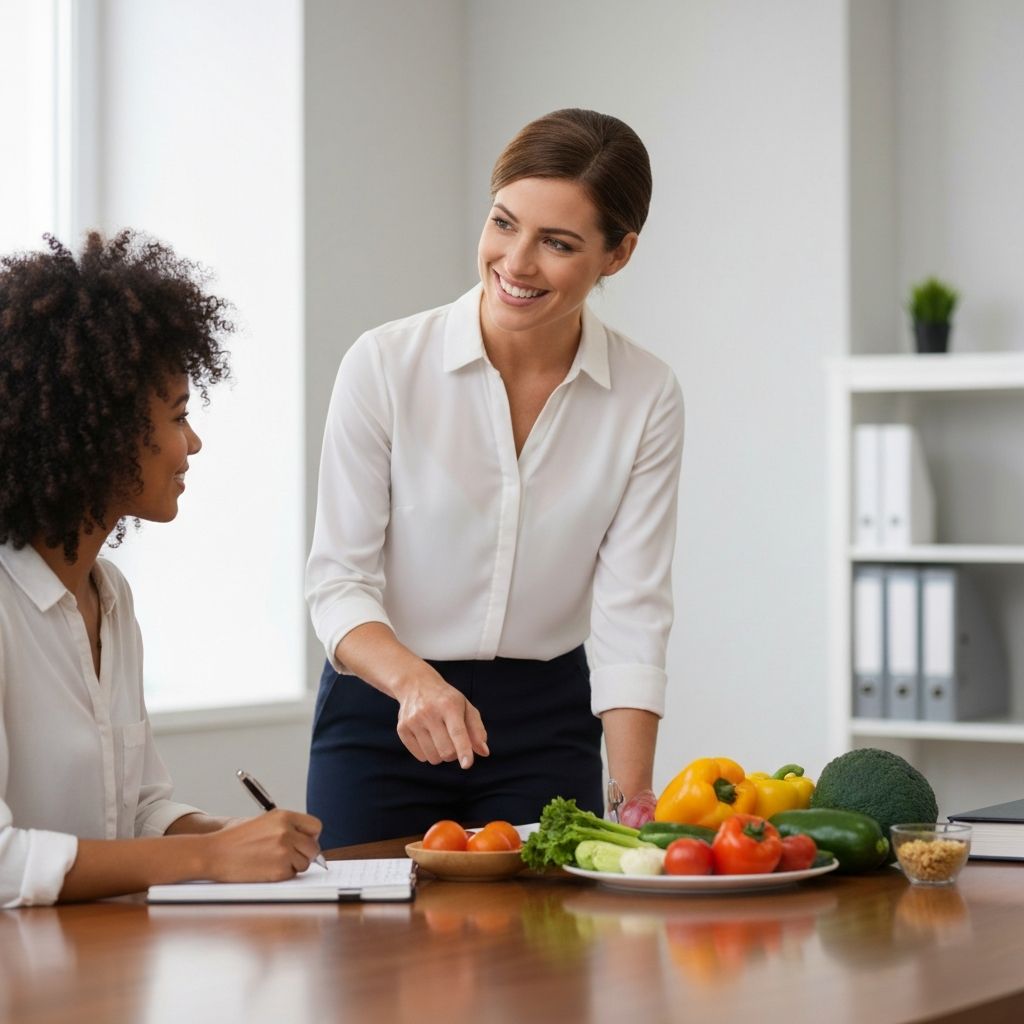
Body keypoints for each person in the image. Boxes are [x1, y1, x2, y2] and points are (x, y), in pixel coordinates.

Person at [306, 108, 684, 847]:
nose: (516, 262)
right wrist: (414, 682)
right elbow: (337, 584)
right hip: (386, 711)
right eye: (504, 223)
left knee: (544, 953)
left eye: (558, 242)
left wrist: (636, 803)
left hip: (546, 724)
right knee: (367, 952)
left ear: (618, 254)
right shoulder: (384, 365)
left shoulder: (646, 394)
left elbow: (631, 611)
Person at [0, 230, 322, 907]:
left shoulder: (110, 595)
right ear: (102, 429)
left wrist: (238, 836)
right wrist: (208, 854)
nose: (193, 442)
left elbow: (138, 813)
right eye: (178, 416)